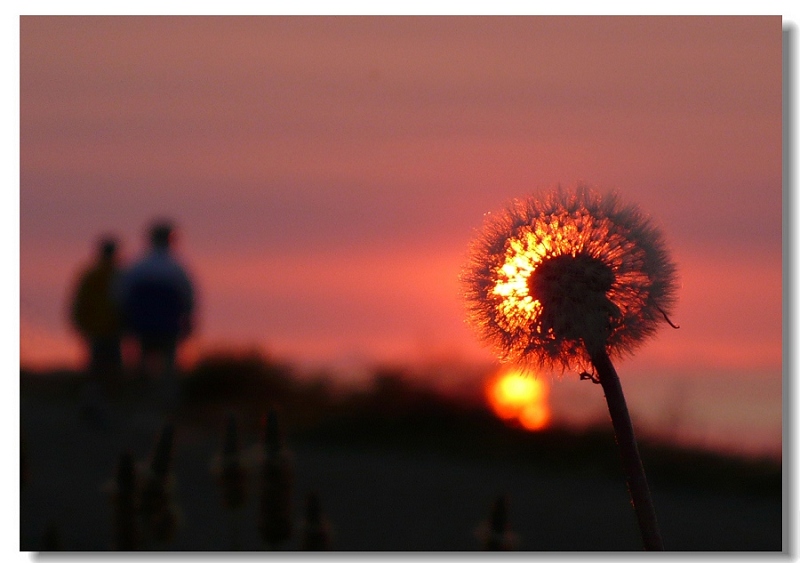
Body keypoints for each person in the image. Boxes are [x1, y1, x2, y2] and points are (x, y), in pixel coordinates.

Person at [118, 220, 196, 384]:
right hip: (168, 325)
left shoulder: (137, 266)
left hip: (141, 324)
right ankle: (165, 398)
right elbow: (188, 297)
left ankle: (140, 395)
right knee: (168, 367)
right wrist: (188, 320)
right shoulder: (176, 268)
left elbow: (121, 295)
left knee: (142, 363)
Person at [70, 236, 124, 380]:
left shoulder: (90, 275)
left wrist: (80, 323)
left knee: (95, 366)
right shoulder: (120, 275)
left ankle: (93, 394)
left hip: (94, 328)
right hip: (113, 327)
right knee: (114, 367)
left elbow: (79, 302)